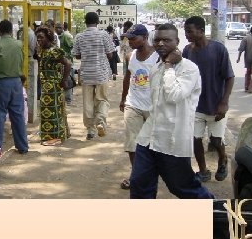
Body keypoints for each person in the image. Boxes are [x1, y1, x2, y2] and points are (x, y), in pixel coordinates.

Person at [129, 24, 214, 200]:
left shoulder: (188, 68)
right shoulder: (156, 68)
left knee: (183, 188)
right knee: (139, 184)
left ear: (177, 42)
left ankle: (220, 217)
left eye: (166, 40)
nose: (160, 43)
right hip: (148, 138)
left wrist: (168, 66)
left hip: (172, 142)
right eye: (157, 40)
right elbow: (154, 103)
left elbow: (174, 95)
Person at [182, 15, 234, 182]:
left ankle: (223, 159)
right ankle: (203, 170)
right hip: (195, 106)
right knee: (195, 140)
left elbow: (229, 77)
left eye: (189, 31)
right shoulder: (187, 51)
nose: (186, 35)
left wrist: (224, 102)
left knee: (216, 140)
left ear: (201, 31)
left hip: (215, 105)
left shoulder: (218, 49)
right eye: (185, 32)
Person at [118, 24, 157, 190]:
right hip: (132, 104)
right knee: (132, 143)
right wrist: (123, 98)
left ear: (145, 37)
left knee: (153, 144)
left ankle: (152, 174)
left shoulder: (158, 56)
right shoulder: (130, 56)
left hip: (153, 107)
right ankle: (136, 175)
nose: (130, 41)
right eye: (128, 38)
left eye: (134, 38)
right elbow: (128, 77)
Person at [0, 19, 29, 154]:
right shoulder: (19, 44)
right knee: (17, 115)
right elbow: (22, 61)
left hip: (1, 82)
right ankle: (22, 146)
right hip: (16, 82)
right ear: (11, 31)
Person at [72, 12, 114, 140]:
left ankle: (90, 129)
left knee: (88, 102)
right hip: (101, 73)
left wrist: (87, 54)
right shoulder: (104, 35)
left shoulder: (79, 36)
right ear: (98, 22)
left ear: (85, 22)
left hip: (86, 74)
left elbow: (77, 55)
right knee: (102, 99)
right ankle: (100, 122)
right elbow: (110, 54)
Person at [36, 26, 72, 146]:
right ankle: (48, 135)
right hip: (45, 85)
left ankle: (56, 136)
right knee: (46, 111)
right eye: (38, 38)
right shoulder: (41, 50)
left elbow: (67, 64)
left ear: (48, 38)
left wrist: (64, 80)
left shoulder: (54, 51)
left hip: (53, 86)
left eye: (41, 37)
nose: (39, 40)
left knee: (53, 111)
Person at [56, 23, 75, 105]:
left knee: (68, 79)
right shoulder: (57, 36)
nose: (57, 29)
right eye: (56, 28)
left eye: (59, 28)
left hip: (67, 61)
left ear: (63, 28)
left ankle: (68, 99)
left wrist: (67, 55)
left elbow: (72, 46)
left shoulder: (66, 36)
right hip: (60, 62)